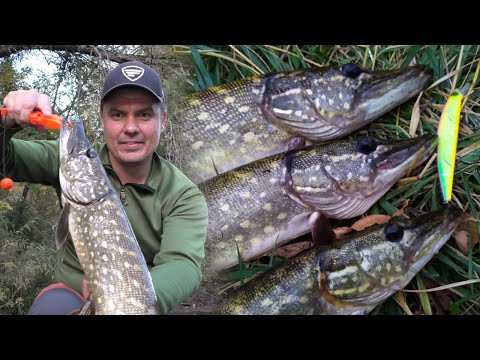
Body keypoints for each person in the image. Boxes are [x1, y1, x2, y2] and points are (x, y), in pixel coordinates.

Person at [1, 61, 209, 314]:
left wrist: (128, 299)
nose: (131, 128)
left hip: (144, 301)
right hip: (72, 296)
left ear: (162, 121)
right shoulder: (70, 160)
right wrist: (7, 124)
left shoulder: (183, 195)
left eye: (144, 114)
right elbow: (7, 157)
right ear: (103, 119)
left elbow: (182, 264)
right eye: (118, 114)